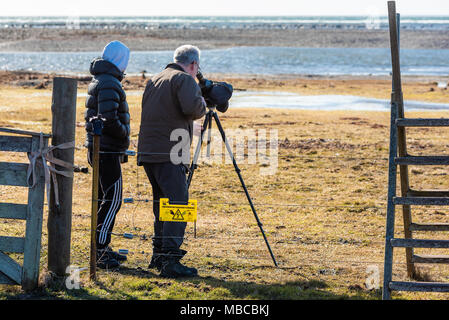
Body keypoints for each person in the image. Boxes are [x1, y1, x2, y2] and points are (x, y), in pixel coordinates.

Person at [137, 45, 206, 278]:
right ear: (193, 64)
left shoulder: (155, 79)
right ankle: (171, 261)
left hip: (149, 152)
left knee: (161, 205)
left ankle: (158, 256)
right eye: (197, 68)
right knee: (179, 204)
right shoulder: (184, 80)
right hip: (170, 153)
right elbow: (194, 109)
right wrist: (205, 100)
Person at [84, 40, 131, 269]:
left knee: (104, 199)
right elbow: (108, 118)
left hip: (100, 148)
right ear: (120, 61)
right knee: (112, 199)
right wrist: (123, 134)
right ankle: (100, 251)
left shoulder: (100, 79)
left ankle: (101, 247)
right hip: (107, 149)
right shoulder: (110, 82)